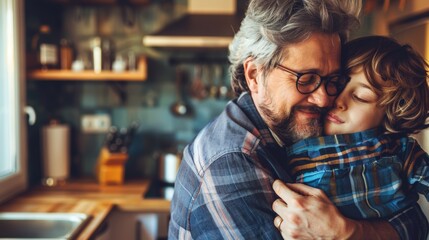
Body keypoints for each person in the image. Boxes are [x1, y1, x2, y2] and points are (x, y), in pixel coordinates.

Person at [168, 0, 427, 239]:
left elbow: (415, 221)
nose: (325, 99)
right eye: (307, 79)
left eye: (331, 81)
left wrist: (351, 232)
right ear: (255, 74)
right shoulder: (231, 165)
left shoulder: (298, 134)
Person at [272, 35, 429, 239]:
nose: (338, 100)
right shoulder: (297, 132)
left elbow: (417, 224)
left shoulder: (398, 150)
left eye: (360, 97)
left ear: (389, 113)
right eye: (336, 84)